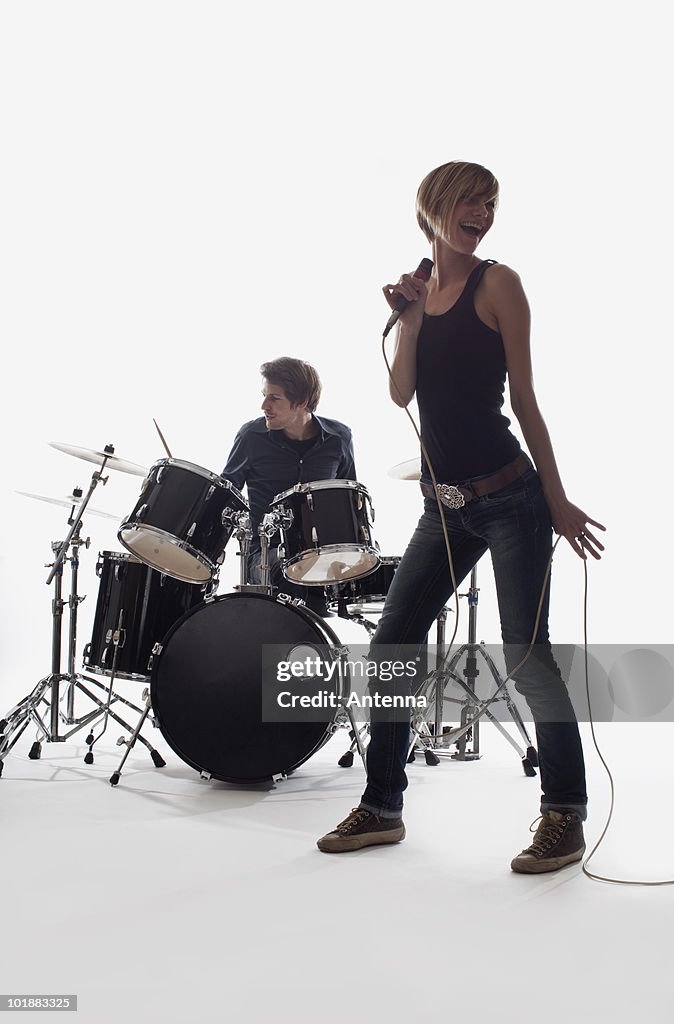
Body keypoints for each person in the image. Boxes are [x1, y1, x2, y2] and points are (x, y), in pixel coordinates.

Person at [317, 161, 605, 872]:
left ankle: (564, 813)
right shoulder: (422, 293)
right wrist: (412, 322)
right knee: (392, 650)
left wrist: (558, 498)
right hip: (441, 509)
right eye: (472, 201)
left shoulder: (498, 284)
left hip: (511, 498)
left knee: (527, 657)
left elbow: (527, 401)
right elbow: (400, 393)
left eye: (491, 203)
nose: (484, 212)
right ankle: (382, 806)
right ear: (436, 207)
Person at [221, 356, 356, 614]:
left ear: (302, 402)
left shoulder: (339, 438)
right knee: (288, 571)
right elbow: (227, 495)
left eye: (274, 398)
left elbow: (348, 501)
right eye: (264, 395)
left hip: (321, 553)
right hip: (265, 552)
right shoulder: (251, 436)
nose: (264, 405)